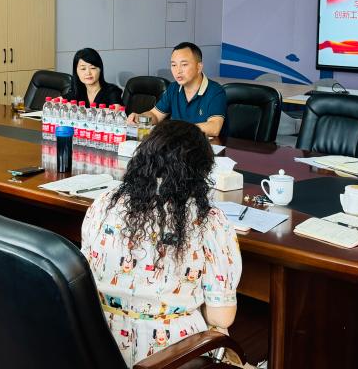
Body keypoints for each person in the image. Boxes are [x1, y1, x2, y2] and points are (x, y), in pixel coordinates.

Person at [81, 120, 242, 366]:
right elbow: (222, 317)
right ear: (201, 171)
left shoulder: (104, 203)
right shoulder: (209, 220)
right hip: (173, 355)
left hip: (97, 347)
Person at [128, 42, 226, 138]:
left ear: (199, 67)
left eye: (184, 64)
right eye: (174, 65)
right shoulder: (173, 88)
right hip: (177, 143)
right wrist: (140, 117)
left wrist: (178, 130)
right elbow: (155, 115)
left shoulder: (215, 91)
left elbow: (214, 127)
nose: (178, 71)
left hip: (204, 145)